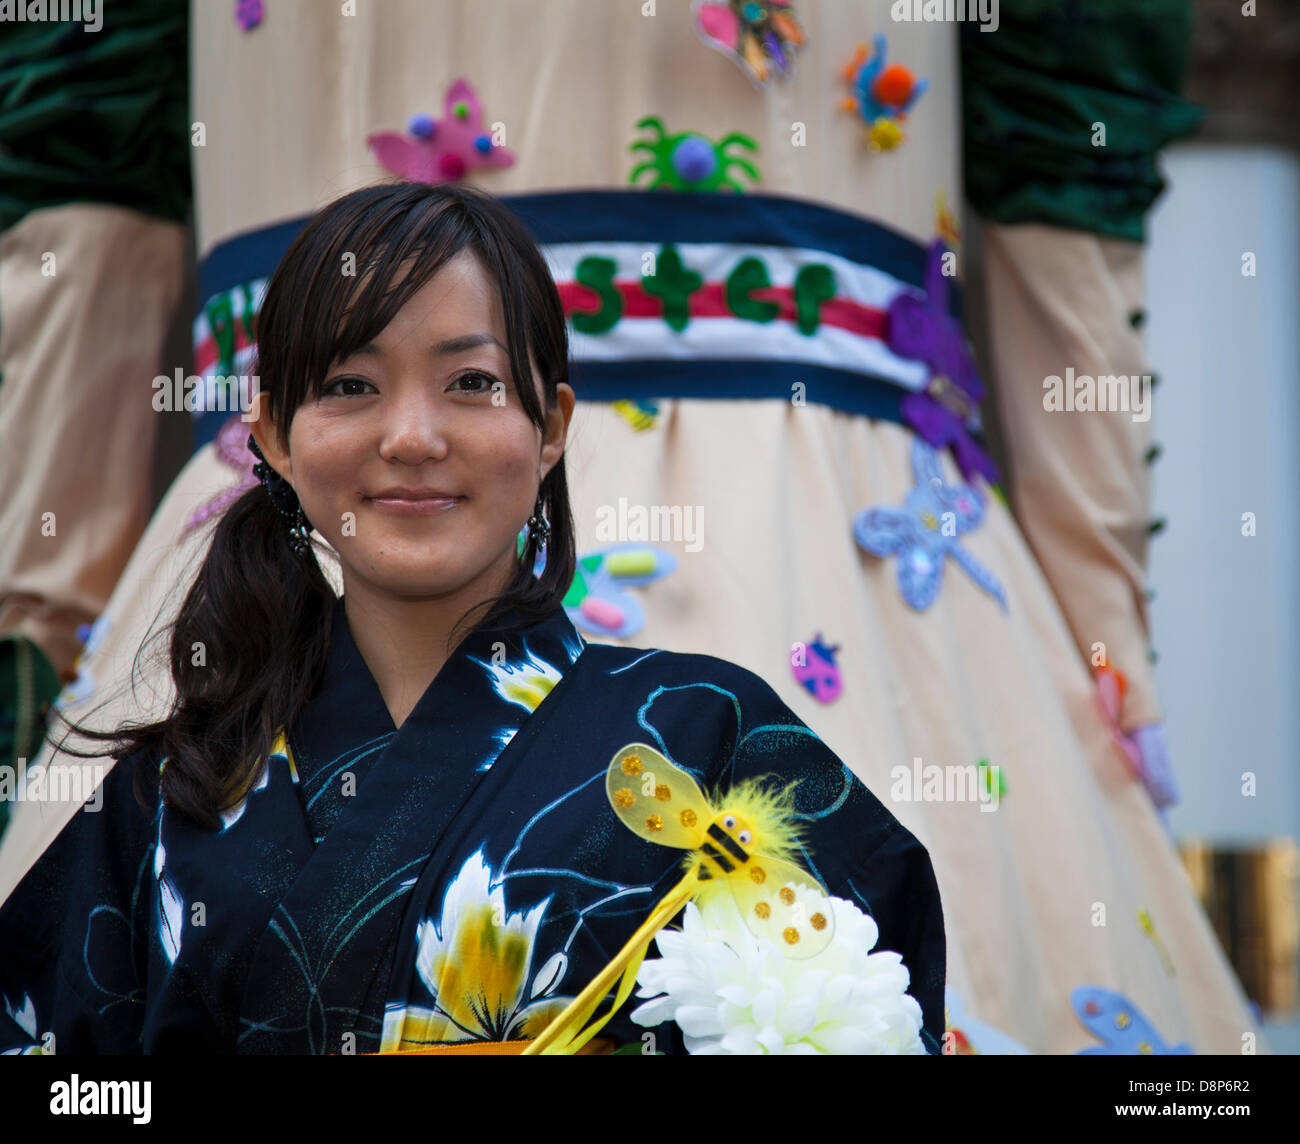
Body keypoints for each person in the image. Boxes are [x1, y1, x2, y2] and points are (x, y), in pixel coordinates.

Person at [0, 181, 945, 1054]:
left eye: (472, 383)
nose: (412, 437)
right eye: (350, 387)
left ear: (553, 426)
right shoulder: (163, 796)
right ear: (277, 437)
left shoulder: (707, 737)